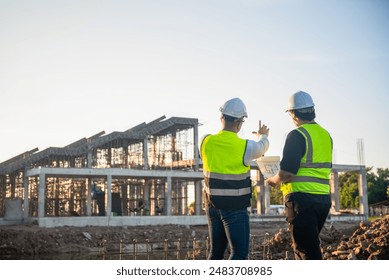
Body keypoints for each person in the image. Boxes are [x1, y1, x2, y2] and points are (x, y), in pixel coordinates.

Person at [199, 97, 270, 260]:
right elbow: (263, 147)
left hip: (212, 207)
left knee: (215, 253)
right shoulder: (247, 147)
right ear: (240, 123)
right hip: (235, 209)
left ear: (221, 118)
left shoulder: (204, 141)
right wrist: (263, 135)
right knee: (239, 253)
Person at [266, 91, 333, 260]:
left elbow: (287, 172)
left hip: (302, 201)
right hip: (323, 200)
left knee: (305, 253)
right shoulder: (326, 135)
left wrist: (273, 179)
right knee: (310, 247)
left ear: (293, 114)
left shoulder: (297, 135)